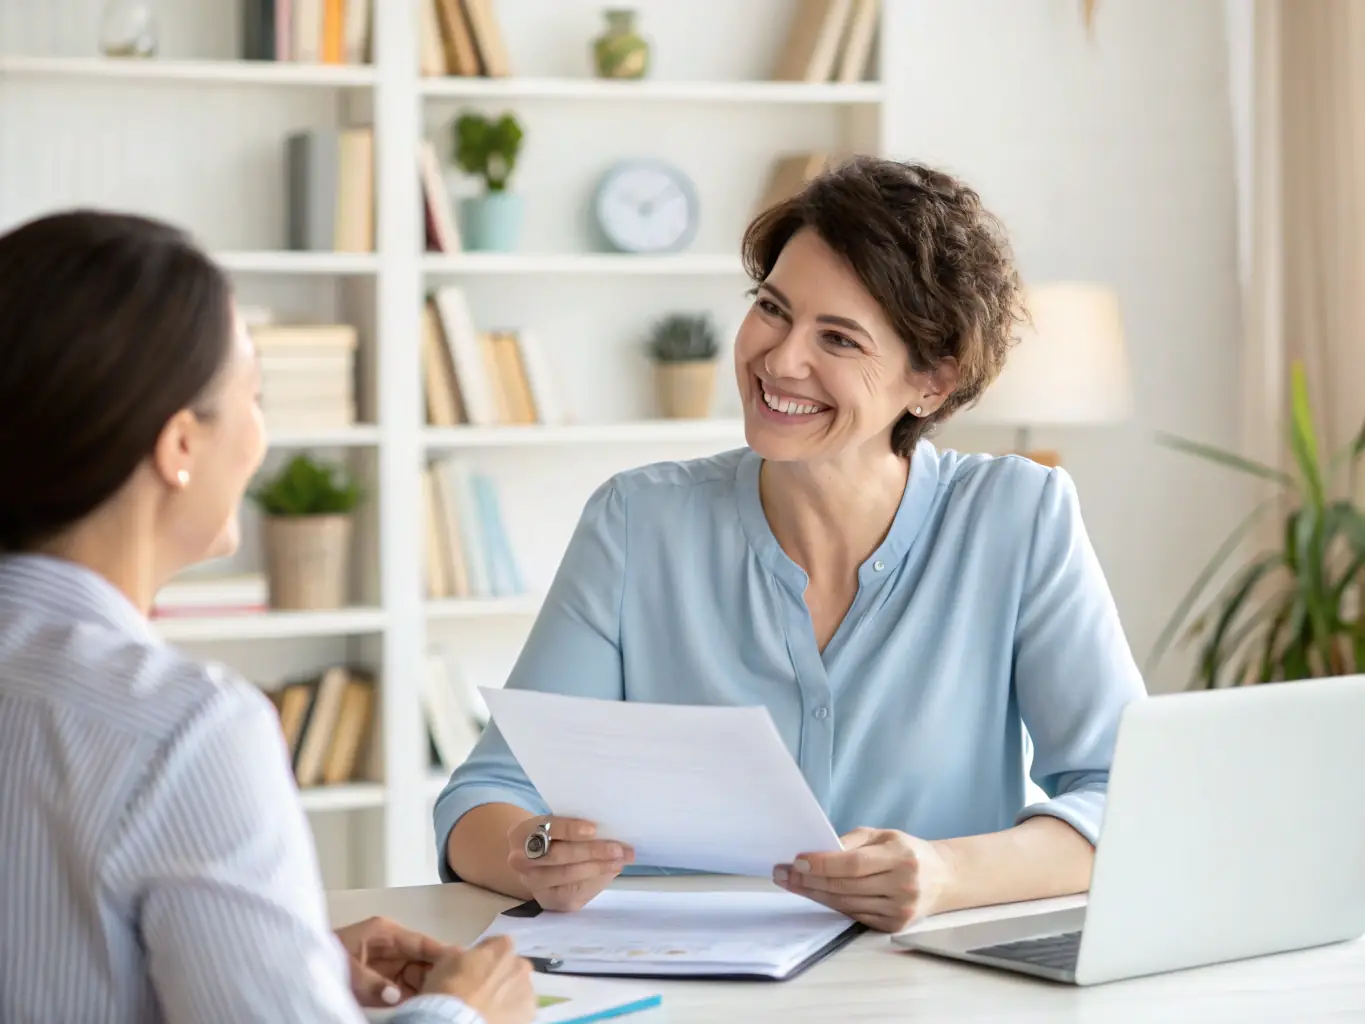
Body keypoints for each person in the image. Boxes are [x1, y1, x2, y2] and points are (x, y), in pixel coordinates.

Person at [436, 156, 1148, 934]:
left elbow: (1128, 794)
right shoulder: (638, 523)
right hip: (680, 989)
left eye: (837, 338)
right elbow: (486, 794)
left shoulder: (1017, 517)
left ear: (932, 382)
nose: (779, 360)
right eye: (773, 309)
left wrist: (946, 874)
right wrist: (529, 849)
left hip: (928, 992)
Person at [0, 209, 536, 1024]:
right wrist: (466, 1012)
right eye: (252, 395)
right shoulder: (183, 729)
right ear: (178, 445)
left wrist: (291, 949)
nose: (261, 433)